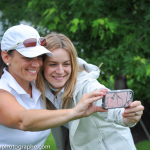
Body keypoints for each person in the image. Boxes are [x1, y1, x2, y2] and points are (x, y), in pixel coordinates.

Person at [0, 24, 108, 150]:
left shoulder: (40, 85)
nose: (36, 64)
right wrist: (74, 112)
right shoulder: (3, 92)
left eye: (39, 56)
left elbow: (63, 60)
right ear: (6, 57)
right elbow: (23, 120)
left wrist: (123, 114)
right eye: (28, 57)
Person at [36, 32, 144, 150]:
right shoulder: (44, 90)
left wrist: (127, 117)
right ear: (41, 65)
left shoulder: (86, 86)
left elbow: (113, 108)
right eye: (53, 64)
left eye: (66, 64)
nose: (60, 71)